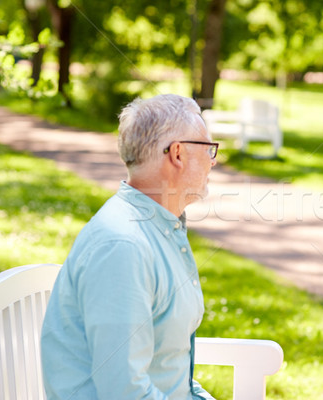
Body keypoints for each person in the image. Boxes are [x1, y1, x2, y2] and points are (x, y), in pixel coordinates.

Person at [41, 94, 219, 399]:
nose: (213, 160)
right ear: (178, 154)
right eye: (208, 148)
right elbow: (124, 391)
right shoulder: (122, 246)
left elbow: (169, 373)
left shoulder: (159, 229)